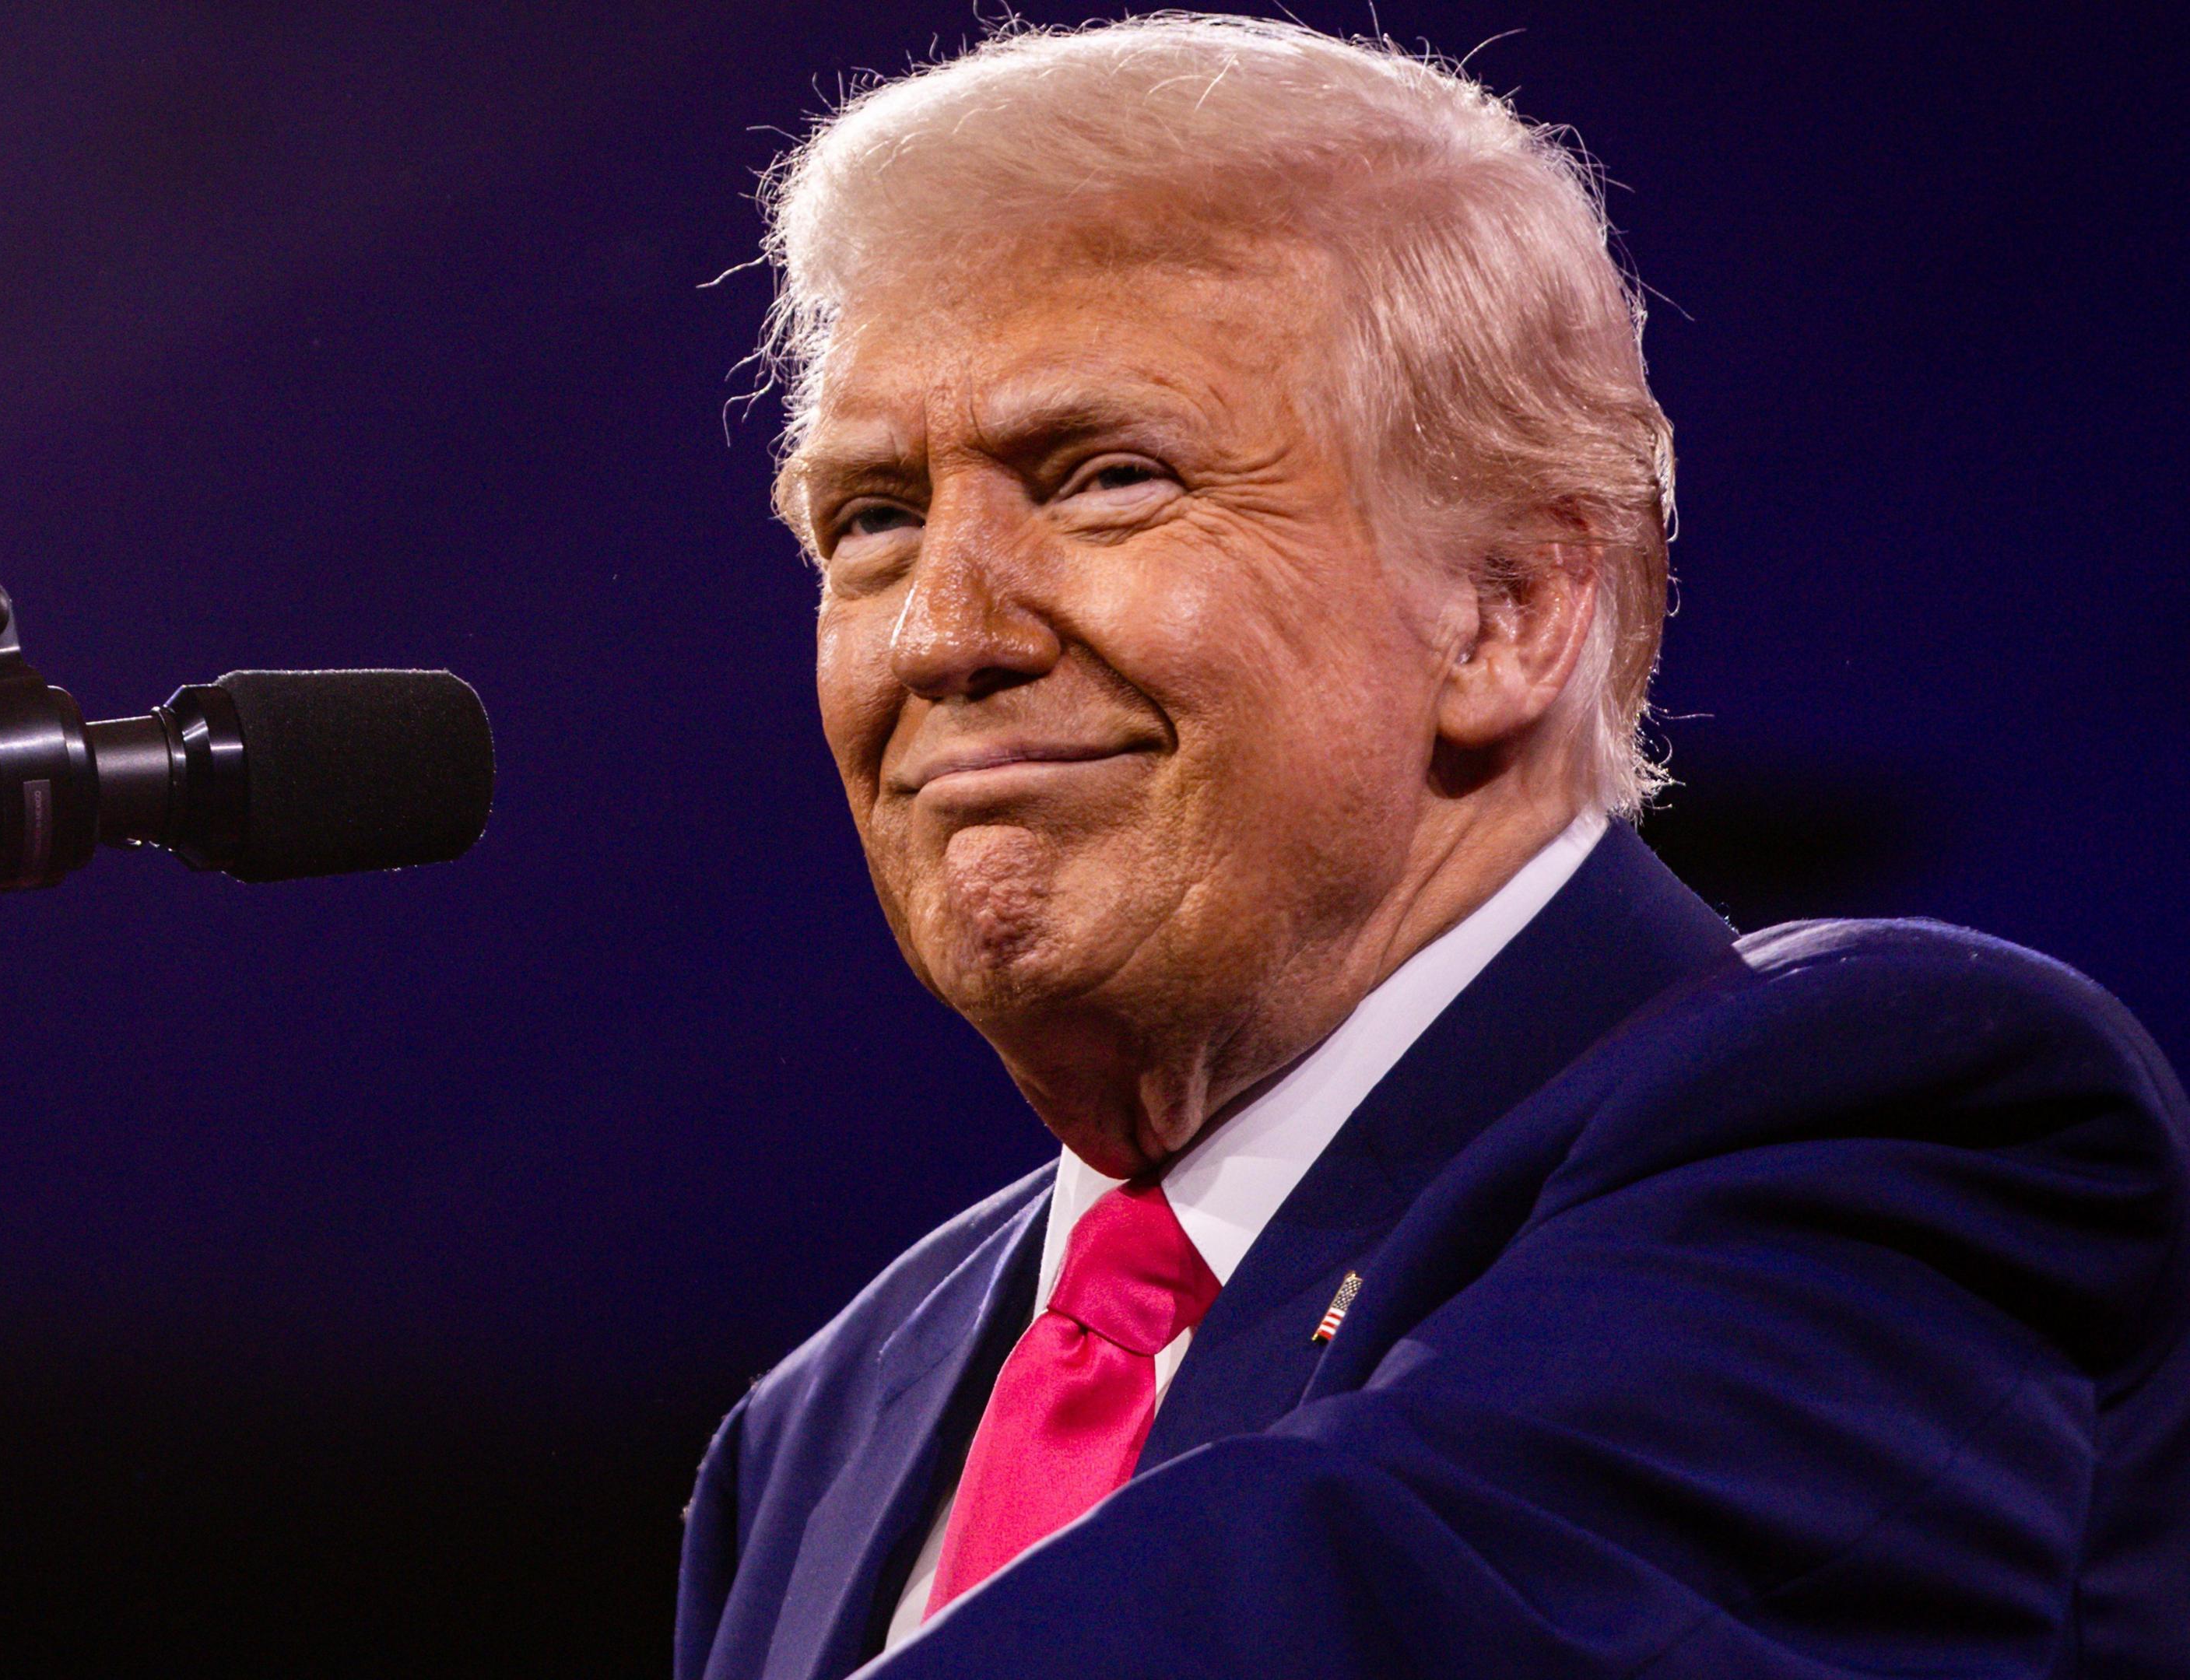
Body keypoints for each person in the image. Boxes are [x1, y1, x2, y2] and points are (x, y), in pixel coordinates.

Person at [673, 16, 2190, 1680]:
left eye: (1106, 478)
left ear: (1508, 612)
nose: (940, 635)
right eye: (874, 518)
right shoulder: (825, 1424)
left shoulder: (1873, 1125)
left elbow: (1390, 1611)